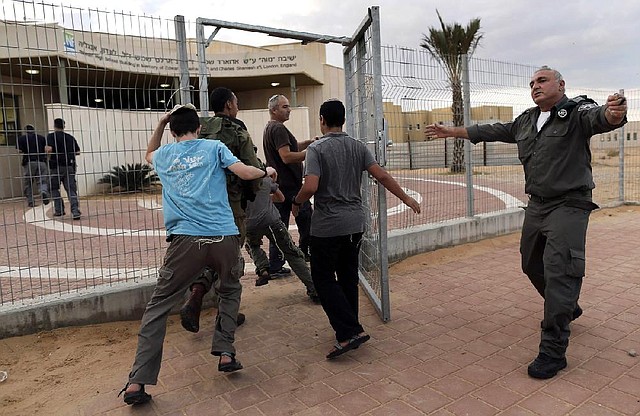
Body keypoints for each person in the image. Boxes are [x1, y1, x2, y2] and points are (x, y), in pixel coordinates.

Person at [425, 66, 628, 379]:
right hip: (537, 206)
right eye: (532, 82)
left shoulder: (575, 112)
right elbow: (492, 130)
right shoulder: (526, 121)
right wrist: (453, 132)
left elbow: (601, 117)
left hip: (569, 205)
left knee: (560, 271)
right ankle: (567, 306)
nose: (535, 86)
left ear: (561, 84)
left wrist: (614, 114)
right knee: (531, 264)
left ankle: (553, 350)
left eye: (542, 80)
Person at [119, 104, 275, 405]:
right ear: (199, 128)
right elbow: (243, 172)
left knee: (158, 307)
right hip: (223, 236)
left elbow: (148, 153)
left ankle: (137, 383)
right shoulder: (213, 147)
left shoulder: (164, 155)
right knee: (229, 290)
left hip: (184, 242)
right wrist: (265, 170)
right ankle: (226, 353)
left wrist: (162, 122)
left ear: (173, 131)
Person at [293, 99, 421, 359]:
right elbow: (381, 175)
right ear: (343, 120)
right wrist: (405, 198)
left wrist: (296, 202)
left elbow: (311, 186)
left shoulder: (316, 149)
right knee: (348, 276)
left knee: (323, 278)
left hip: (327, 226)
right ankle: (350, 327)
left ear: (322, 120)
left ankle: (349, 330)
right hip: (355, 223)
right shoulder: (358, 146)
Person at [179, 87, 264, 333]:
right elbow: (252, 170)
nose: (237, 107)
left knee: (206, 253)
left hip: (199, 205)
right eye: (236, 103)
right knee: (228, 259)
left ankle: (196, 294)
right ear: (228, 104)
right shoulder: (237, 131)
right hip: (230, 206)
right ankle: (226, 313)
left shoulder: (198, 129)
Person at [244, 172, 320, 303]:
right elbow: (281, 198)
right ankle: (314, 289)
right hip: (272, 222)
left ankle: (263, 268)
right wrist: (266, 196)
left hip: (249, 224)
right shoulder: (265, 181)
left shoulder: (235, 183)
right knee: (291, 253)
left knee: (252, 245)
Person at [263, 94, 316, 274]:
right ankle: (303, 254)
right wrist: (311, 153)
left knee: (280, 228)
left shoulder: (272, 128)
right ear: (274, 110)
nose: (289, 109)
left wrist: (309, 143)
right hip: (290, 188)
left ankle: (277, 265)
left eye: (288, 106)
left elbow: (290, 148)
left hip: (281, 187)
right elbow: (286, 156)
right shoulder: (278, 129)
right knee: (306, 220)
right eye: (285, 107)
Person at [46, 118, 81, 219]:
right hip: (69, 166)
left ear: (54, 125)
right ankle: (75, 211)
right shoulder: (70, 137)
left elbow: (49, 149)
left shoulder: (51, 136)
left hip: (55, 166)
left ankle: (59, 209)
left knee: (53, 188)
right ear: (64, 126)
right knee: (71, 189)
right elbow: (78, 151)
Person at [16, 124, 50, 207]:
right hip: (41, 161)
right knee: (42, 180)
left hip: (29, 161)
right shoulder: (41, 138)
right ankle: (43, 191)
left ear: (25, 131)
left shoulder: (22, 138)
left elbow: (19, 150)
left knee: (28, 182)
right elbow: (46, 149)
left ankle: (31, 201)